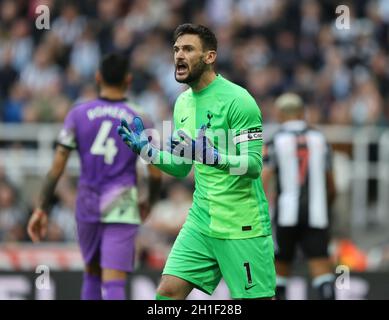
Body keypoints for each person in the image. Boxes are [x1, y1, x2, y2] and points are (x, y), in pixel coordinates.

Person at [117, 23, 275, 300]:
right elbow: (180, 166)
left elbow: (252, 166)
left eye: (188, 49)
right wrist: (148, 152)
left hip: (241, 225)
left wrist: (213, 157)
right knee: (167, 294)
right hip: (201, 221)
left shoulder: (239, 101)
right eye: (176, 49)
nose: (179, 55)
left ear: (209, 57)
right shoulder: (183, 104)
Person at [27, 53, 162, 300]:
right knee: (114, 282)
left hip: (87, 202)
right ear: (128, 80)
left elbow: (57, 167)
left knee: (91, 273)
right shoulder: (140, 117)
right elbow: (154, 171)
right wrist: (148, 203)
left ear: (98, 77)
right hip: (122, 202)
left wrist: (41, 209)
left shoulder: (78, 114)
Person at [261, 93, 336, 300]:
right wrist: (326, 207)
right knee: (323, 271)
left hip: (285, 215)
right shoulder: (320, 139)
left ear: (278, 114)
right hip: (317, 215)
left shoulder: (275, 141)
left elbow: (263, 181)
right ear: (303, 113)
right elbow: (332, 185)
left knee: (279, 273)